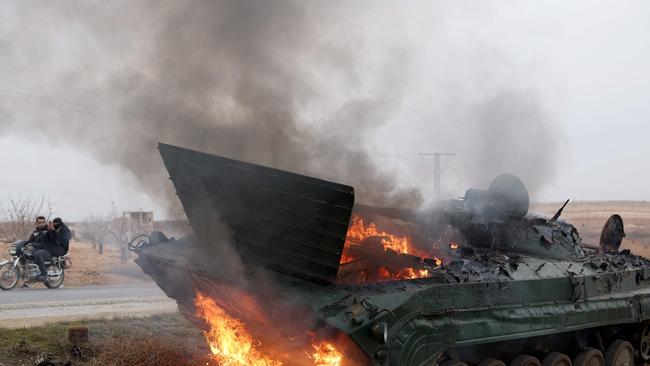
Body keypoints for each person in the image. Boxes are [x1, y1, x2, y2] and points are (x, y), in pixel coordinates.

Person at [32, 217, 70, 282]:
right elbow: (45, 239)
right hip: (50, 248)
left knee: (39, 254)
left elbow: (57, 241)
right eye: (54, 223)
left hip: (59, 249)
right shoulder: (41, 231)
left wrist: (52, 231)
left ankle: (44, 274)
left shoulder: (64, 230)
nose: (55, 224)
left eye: (57, 223)